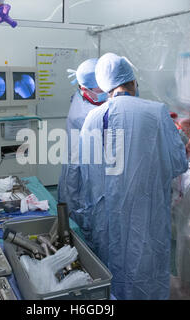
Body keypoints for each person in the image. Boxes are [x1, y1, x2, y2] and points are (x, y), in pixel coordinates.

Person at [78, 53, 188, 299]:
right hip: (144, 217)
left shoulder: (92, 118)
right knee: (144, 275)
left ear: (105, 86)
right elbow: (178, 163)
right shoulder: (156, 112)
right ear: (132, 81)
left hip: (104, 218)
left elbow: (86, 174)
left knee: (109, 276)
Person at [58, 58, 107, 223]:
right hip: (81, 168)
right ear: (84, 88)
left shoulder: (82, 96)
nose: (106, 91)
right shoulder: (84, 113)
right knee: (80, 207)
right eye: (101, 87)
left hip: (88, 163)